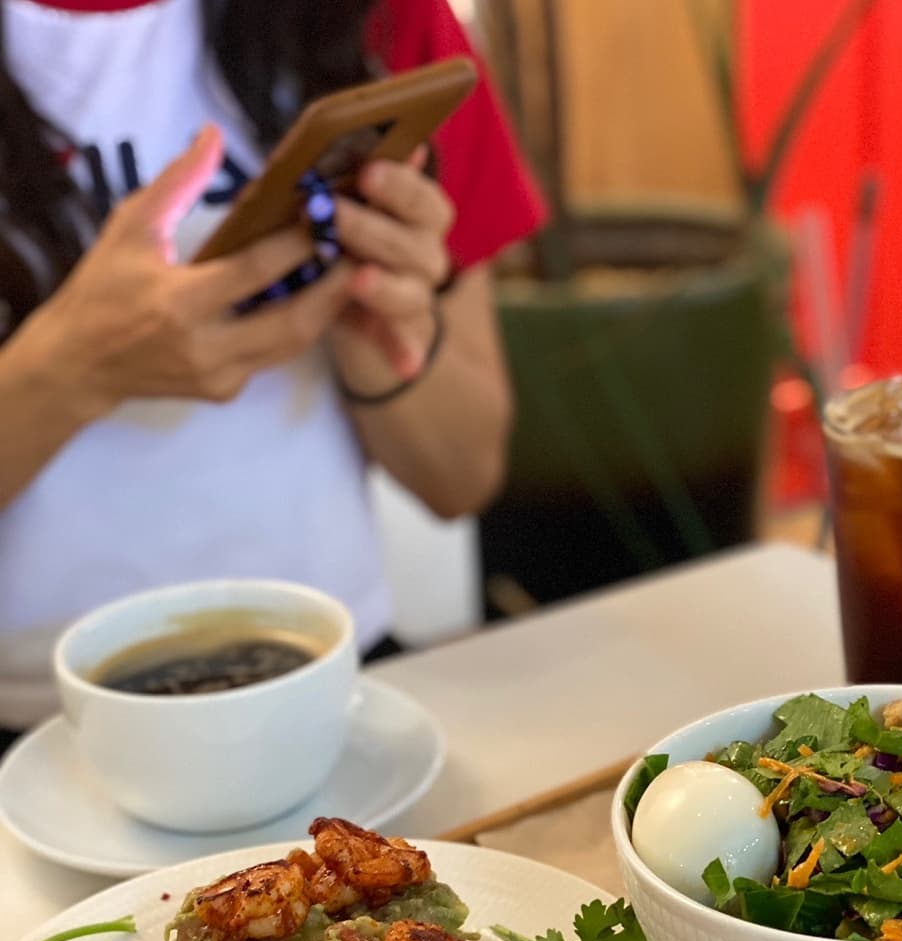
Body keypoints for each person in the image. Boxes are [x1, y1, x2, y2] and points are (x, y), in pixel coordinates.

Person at [0, 0, 546, 733]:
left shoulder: (377, 19)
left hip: (331, 679)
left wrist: (366, 311)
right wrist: (68, 373)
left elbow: (463, 476)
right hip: (32, 719)